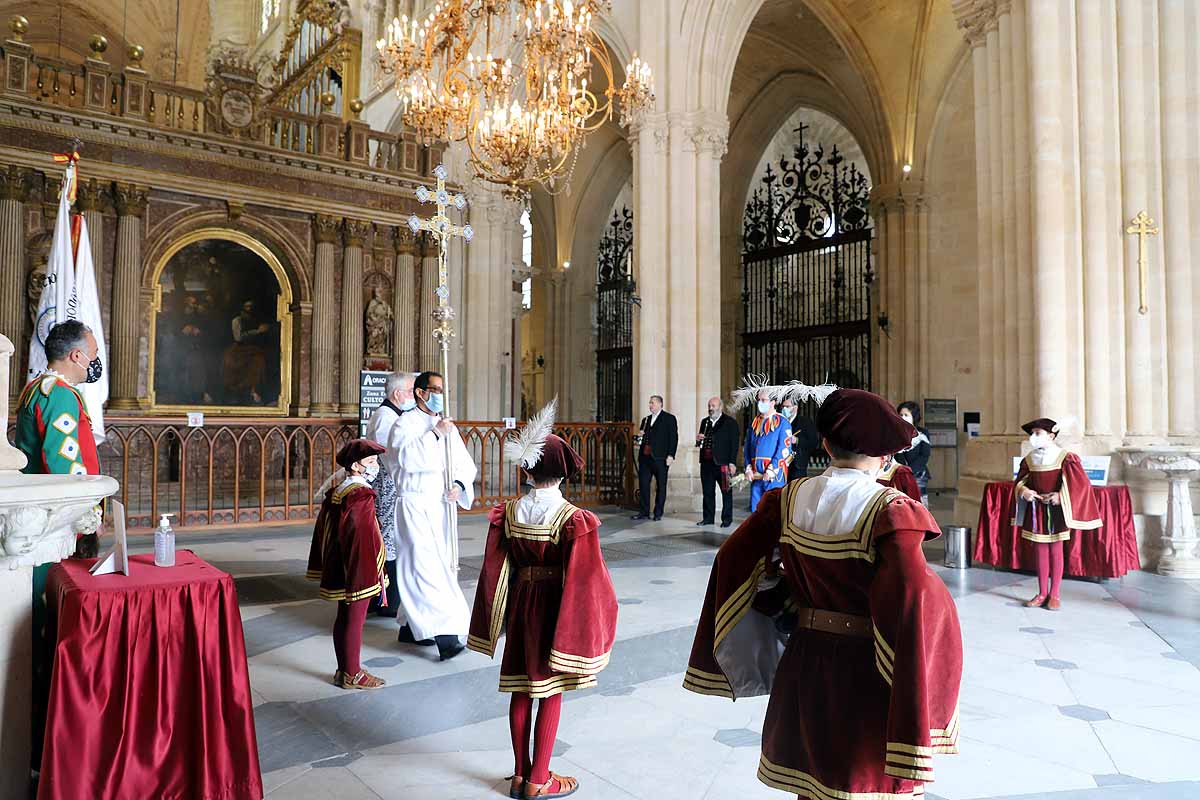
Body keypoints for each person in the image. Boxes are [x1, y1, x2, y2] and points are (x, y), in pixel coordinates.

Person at [684, 388, 962, 799]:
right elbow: (916, 599)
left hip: (806, 656)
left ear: (826, 443)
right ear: (884, 454)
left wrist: (781, 588)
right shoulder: (890, 510)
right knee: (861, 783)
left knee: (809, 780)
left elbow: (732, 559)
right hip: (864, 669)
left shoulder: (790, 496)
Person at [469, 400, 617, 800]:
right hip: (554, 607)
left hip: (521, 603)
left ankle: (519, 775)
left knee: (520, 687)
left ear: (528, 469)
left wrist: (492, 618)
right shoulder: (572, 518)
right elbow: (587, 581)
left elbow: (493, 567)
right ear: (564, 473)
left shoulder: (510, 511)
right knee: (549, 690)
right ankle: (540, 779)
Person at [15, 320, 105, 772]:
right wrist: (86, 513)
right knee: (43, 626)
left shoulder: (36, 388)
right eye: (90, 353)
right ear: (74, 356)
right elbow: (65, 464)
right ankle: (37, 744)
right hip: (51, 531)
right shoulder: (59, 395)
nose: (92, 361)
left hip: (39, 525)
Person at [390, 370, 478, 661]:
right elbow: (406, 460)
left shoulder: (446, 427)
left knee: (431, 565)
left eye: (443, 389)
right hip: (414, 505)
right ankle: (446, 636)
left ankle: (410, 627)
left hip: (440, 506)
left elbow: (463, 464)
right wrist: (434, 434)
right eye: (436, 389)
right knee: (427, 569)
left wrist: (458, 484)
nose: (441, 395)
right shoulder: (405, 424)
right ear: (420, 392)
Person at [306, 439, 388, 689]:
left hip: (341, 564)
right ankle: (353, 674)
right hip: (357, 569)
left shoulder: (339, 490)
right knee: (355, 619)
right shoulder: (360, 494)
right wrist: (367, 575)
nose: (376, 467)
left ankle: (345, 669)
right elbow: (361, 538)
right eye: (371, 462)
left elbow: (328, 531)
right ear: (356, 465)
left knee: (344, 618)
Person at [1012, 418, 1101, 611]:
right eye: (1033, 433)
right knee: (1040, 551)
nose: (1034, 437)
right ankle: (1042, 592)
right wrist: (1024, 491)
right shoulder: (1030, 459)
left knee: (1056, 551)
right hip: (1037, 510)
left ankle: (1055, 594)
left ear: (1051, 435)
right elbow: (1020, 482)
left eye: (1038, 433)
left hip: (1056, 511)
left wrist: (1061, 497)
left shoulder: (1065, 457)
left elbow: (1080, 485)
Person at [365, 371, 416, 617]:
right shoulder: (386, 417)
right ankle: (386, 600)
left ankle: (385, 598)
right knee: (389, 542)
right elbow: (392, 454)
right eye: (410, 391)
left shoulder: (392, 414)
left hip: (392, 485)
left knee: (391, 541)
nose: (413, 396)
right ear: (397, 394)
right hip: (388, 486)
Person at [743, 388, 792, 512]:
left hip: (774, 477)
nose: (760, 403)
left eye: (764, 400)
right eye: (759, 400)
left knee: (772, 512)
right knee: (756, 513)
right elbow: (747, 448)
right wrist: (748, 468)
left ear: (773, 402)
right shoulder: (754, 423)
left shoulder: (782, 422)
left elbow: (784, 450)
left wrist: (771, 470)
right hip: (756, 476)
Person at [632, 395, 677, 520]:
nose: (650, 405)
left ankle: (658, 513)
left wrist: (671, 455)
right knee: (644, 485)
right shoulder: (646, 420)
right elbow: (641, 440)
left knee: (661, 486)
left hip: (661, 458)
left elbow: (673, 438)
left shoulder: (669, 419)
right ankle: (644, 511)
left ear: (660, 404)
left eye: (652, 403)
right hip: (645, 458)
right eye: (650, 403)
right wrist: (639, 436)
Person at [696, 396, 739, 528]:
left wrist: (732, 462)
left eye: (713, 406)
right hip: (706, 463)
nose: (710, 408)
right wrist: (698, 439)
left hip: (723, 464)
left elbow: (734, 444)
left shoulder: (730, 422)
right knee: (708, 492)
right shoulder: (705, 422)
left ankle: (726, 519)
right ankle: (708, 518)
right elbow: (700, 443)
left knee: (726, 492)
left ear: (720, 407)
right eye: (709, 406)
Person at [223, 300, 271, 404]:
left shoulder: (256, 320)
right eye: (247, 307)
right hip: (239, 348)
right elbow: (238, 337)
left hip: (254, 349)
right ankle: (234, 393)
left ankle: (254, 392)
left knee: (259, 361)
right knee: (231, 361)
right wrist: (258, 331)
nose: (249, 309)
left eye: (251, 307)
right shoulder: (237, 320)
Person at [895, 401, 932, 504]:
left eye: (906, 415)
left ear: (914, 417)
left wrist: (910, 470)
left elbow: (924, 455)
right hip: (898, 474)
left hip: (918, 475)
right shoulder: (895, 433)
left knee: (919, 504)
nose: (903, 417)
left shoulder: (922, 433)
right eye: (901, 415)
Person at [780, 397, 819, 481]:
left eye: (787, 407)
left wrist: (797, 440)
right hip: (780, 464)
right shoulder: (779, 422)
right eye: (783, 407)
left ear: (795, 407)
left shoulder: (805, 422)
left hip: (797, 466)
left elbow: (814, 443)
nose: (784, 409)